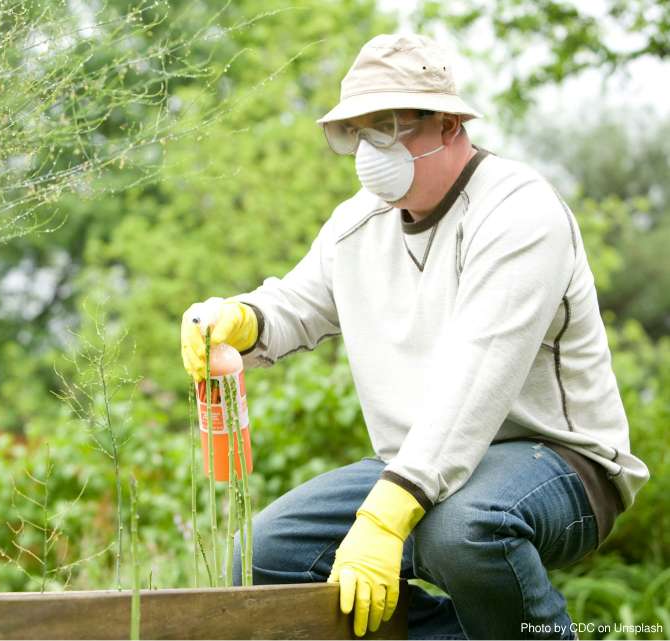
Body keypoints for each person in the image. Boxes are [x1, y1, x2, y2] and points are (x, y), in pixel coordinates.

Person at [179, 33, 649, 640]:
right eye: (358, 130)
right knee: (264, 559)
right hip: (416, 466)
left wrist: (385, 515)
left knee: (460, 529)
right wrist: (239, 319)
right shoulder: (357, 222)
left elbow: (478, 379)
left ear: (450, 123)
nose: (370, 149)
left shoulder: (518, 211)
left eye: (391, 125)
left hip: (558, 459)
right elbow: (296, 304)